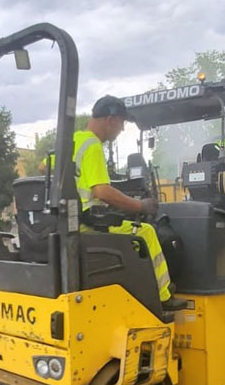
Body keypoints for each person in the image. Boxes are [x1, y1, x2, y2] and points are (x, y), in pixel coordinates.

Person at [73, 96, 183, 311]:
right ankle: (163, 296)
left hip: (70, 221)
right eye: (122, 124)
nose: (121, 130)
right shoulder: (93, 145)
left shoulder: (73, 142)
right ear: (111, 119)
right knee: (147, 232)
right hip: (88, 224)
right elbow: (102, 191)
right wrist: (139, 206)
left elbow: (42, 168)